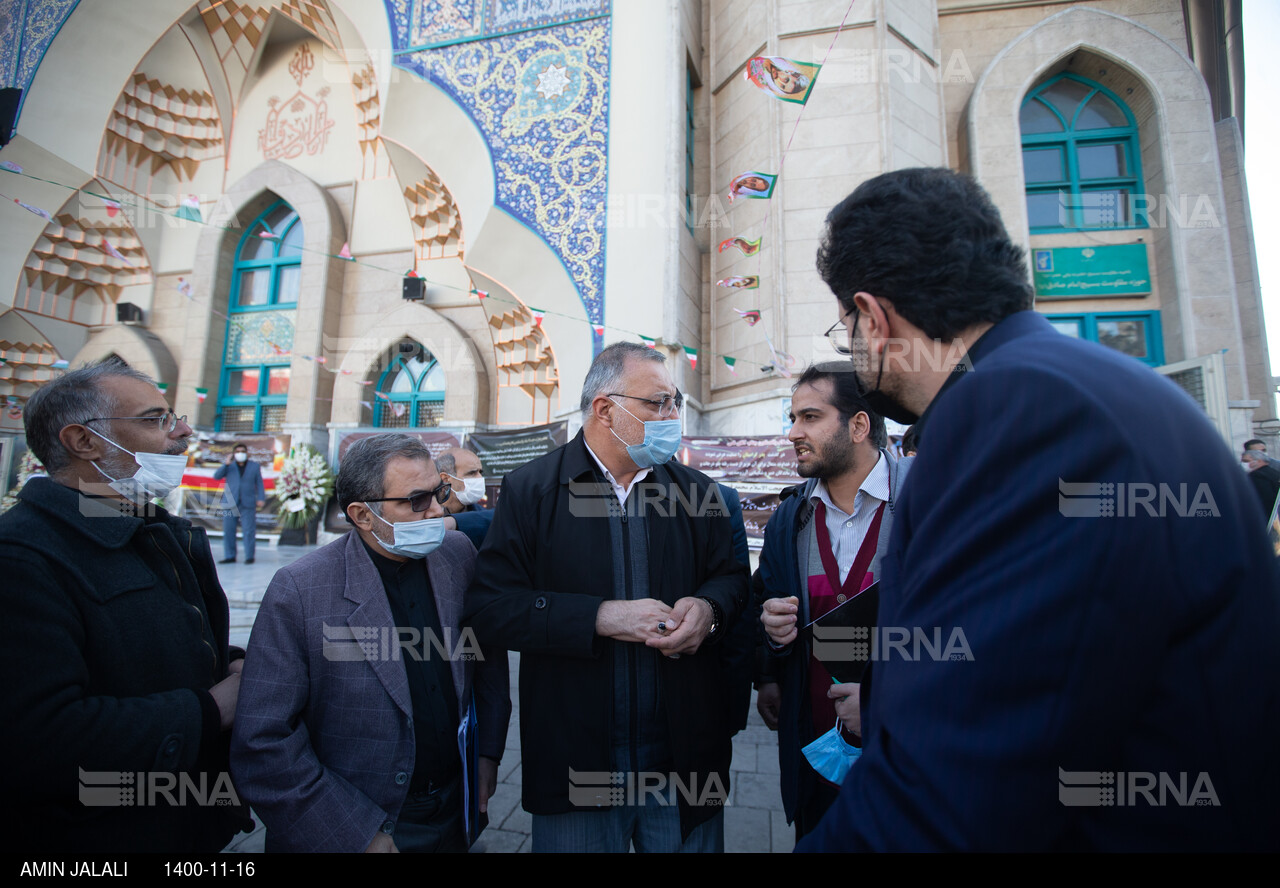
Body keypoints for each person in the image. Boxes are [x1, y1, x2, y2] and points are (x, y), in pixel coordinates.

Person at [798, 167, 1280, 851]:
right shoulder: (1083, 385)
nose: (852, 345)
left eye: (846, 326)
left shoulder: (1014, 410)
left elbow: (950, 800)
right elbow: (1057, 674)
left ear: (874, 319)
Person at [464, 342, 748, 852]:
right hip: (578, 765)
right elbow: (491, 608)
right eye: (657, 403)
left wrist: (709, 609)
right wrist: (599, 617)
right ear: (605, 409)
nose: (672, 416)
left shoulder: (702, 494)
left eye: (674, 402)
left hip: (682, 761)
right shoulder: (533, 491)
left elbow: (731, 581)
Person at [0, 357, 250, 853]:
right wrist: (213, 710)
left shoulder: (152, 529)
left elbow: (149, 648)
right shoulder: (22, 558)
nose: (182, 430)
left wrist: (231, 663)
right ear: (84, 441)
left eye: (173, 415)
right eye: (156, 419)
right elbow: (35, 741)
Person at [231, 434, 510, 852]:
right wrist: (357, 834)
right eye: (417, 500)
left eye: (440, 492)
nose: (437, 510)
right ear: (363, 514)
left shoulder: (458, 555)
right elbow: (263, 740)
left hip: (456, 808)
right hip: (359, 824)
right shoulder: (301, 590)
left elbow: (487, 661)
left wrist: (486, 753)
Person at [757, 363, 909, 841]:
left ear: (859, 425)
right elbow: (766, 602)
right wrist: (773, 638)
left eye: (809, 417)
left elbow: (975, 637)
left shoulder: (930, 502)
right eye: (793, 417)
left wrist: (884, 705)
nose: (792, 433)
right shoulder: (790, 518)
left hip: (910, 768)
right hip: (816, 765)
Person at [213, 442, 265, 564]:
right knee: (229, 530)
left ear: (247, 453)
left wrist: (261, 497)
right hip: (230, 502)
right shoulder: (229, 466)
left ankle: (249, 556)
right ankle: (230, 556)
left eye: (242, 451)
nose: (240, 454)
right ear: (234, 454)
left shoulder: (254, 466)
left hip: (248, 503)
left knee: (248, 530)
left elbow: (260, 483)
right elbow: (216, 476)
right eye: (237, 452)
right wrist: (226, 464)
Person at [437, 446, 494, 550]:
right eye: (472, 473)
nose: (480, 479)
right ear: (446, 478)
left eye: (480, 472)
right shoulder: (426, 515)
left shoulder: (483, 516)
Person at [1242, 447, 1280, 518]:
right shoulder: (1275, 473)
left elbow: (1265, 500)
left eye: (1246, 461)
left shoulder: (1256, 476)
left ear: (1259, 461)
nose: (1243, 463)